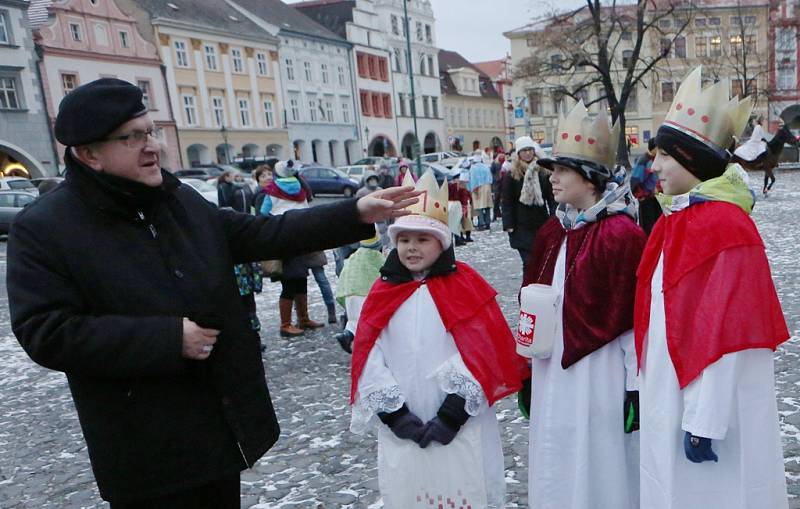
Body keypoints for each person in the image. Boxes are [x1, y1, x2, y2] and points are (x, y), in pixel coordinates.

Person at [6, 78, 419, 509]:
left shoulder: (173, 198)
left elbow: (258, 233)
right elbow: (46, 332)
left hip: (217, 425)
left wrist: (354, 211)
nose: (153, 147)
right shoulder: (45, 228)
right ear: (89, 153)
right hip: (145, 447)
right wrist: (167, 339)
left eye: (151, 131)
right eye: (132, 137)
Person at [635, 67, 790, 509]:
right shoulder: (676, 220)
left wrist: (706, 418)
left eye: (665, 155)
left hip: (710, 406)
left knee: (715, 493)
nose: (655, 166)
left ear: (692, 160)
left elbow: (727, 331)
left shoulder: (724, 226)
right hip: (670, 390)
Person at [349, 171, 527, 508]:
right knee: (411, 490)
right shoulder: (382, 292)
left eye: (422, 239)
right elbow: (367, 355)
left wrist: (453, 413)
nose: (412, 248)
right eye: (404, 240)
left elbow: (482, 348)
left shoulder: (465, 285)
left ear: (441, 242)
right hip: (405, 417)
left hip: (459, 421)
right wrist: (395, 414)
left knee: (462, 486)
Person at [520, 102, 644, 509]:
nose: (552, 178)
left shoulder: (621, 236)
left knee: (599, 460)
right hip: (550, 368)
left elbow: (630, 321)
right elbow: (532, 301)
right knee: (556, 452)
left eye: (562, 170)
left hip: (599, 373)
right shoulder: (553, 231)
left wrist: (634, 388)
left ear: (589, 179)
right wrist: (526, 370)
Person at [261, 159, 324, 336]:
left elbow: (263, 214)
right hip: (301, 237)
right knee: (300, 278)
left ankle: (288, 323)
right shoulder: (300, 188)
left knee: (289, 282)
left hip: (282, 238)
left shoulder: (272, 191)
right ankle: (301, 319)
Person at [501, 136, 556, 271]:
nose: (527, 153)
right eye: (524, 150)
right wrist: (509, 225)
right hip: (521, 226)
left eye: (530, 150)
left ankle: (540, 288)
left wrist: (554, 219)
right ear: (518, 153)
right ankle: (528, 288)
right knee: (529, 263)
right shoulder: (512, 174)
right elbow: (507, 202)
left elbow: (551, 198)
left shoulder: (543, 172)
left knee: (543, 261)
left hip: (541, 223)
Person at [332, 229, 385, 353]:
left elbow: (341, 271)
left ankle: (347, 334)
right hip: (364, 293)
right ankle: (365, 345)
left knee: (353, 319)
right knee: (363, 320)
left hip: (349, 292)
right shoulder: (376, 257)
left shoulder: (353, 257)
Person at [630, 138, 662, 235]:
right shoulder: (644, 160)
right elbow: (635, 180)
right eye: (659, 148)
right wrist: (641, 195)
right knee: (648, 225)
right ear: (654, 148)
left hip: (656, 197)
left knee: (657, 223)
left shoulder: (656, 159)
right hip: (647, 198)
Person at [468, 153, 493, 231]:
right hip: (487, 186)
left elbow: (472, 179)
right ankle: (488, 223)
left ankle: (481, 224)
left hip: (478, 187)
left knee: (479, 206)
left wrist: (472, 189)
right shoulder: (486, 166)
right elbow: (490, 177)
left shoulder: (473, 168)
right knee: (487, 206)